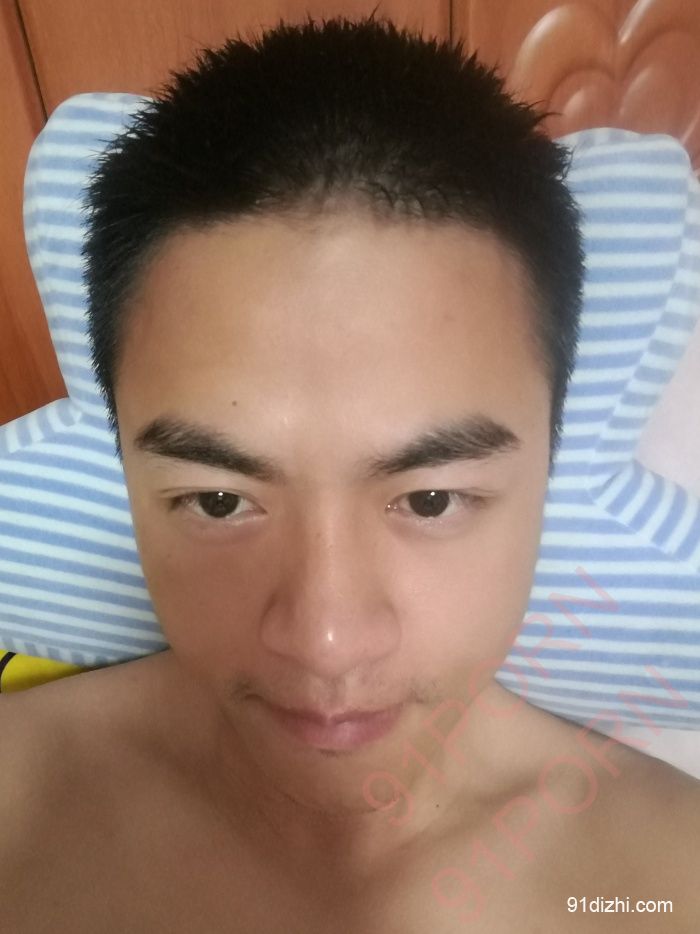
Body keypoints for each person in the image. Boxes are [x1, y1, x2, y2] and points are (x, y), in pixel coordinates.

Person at [1, 13, 698, 932]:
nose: (325, 643)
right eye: (218, 499)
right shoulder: (22, 807)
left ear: (548, 466)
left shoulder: (670, 876)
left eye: (432, 498)